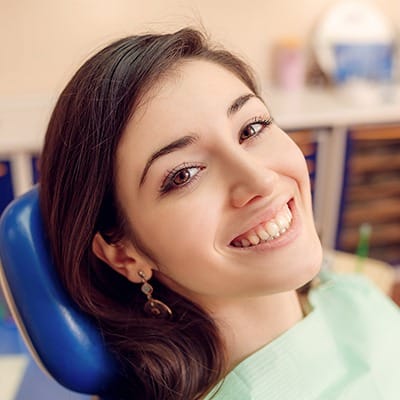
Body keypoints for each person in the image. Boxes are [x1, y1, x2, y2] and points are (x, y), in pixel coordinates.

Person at [39, 28, 400, 400]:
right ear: (124, 254)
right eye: (184, 175)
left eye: (251, 128)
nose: (259, 178)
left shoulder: (341, 293)